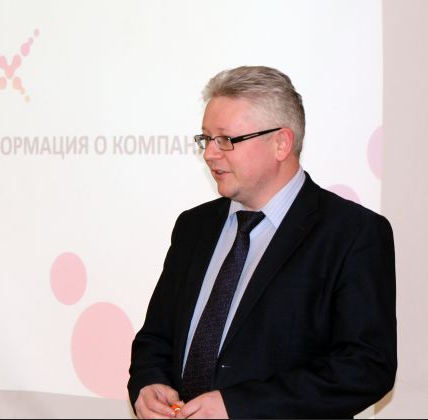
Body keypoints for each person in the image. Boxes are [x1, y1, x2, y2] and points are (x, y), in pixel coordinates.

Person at [128, 66, 396, 419]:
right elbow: (156, 338)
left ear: (281, 143)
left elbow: (366, 367)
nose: (209, 154)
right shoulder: (194, 226)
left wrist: (239, 406)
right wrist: (149, 383)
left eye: (226, 139)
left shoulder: (352, 233)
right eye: (206, 139)